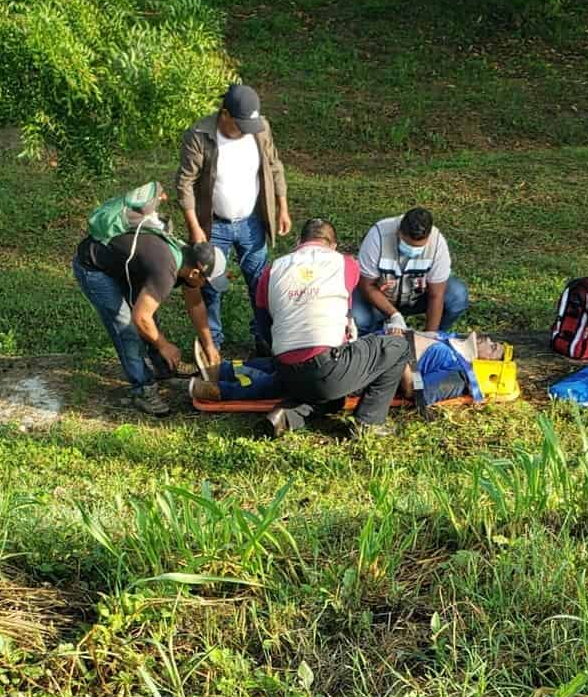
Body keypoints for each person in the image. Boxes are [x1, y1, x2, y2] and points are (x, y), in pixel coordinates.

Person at [73, 185, 226, 417]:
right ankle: (142, 389)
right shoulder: (166, 270)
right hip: (94, 269)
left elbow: (196, 305)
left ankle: (164, 368)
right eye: (207, 281)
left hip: (122, 266)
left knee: (149, 315)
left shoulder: (187, 257)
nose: (206, 287)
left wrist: (210, 346)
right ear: (196, 273)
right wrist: (165, 345)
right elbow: (140, 318)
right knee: (126, 327)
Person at [250, 217, 410, 438]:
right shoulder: (345, 263)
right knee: (399, 346)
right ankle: (369, 422)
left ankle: (287, 416)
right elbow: (347, 315)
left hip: (286, 372)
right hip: (325, 367)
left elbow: (262, 324)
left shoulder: (271, 270)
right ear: (333, 245)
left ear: (299, 242)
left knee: (333, 397)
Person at [175, 83, 291, 350]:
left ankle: (265, 338)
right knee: (211, 284)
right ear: (224, 114)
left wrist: (282, 206)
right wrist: (194, 227)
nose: (244, 132)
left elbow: (274, 165)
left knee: (260, 282)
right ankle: (213, 341)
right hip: (214, 225)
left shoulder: (259, 128)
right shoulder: (199, 134)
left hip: (252, 222)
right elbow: (185, 183)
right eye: (239, 125)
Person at [189, 331, 506, 410]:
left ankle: (222, 391)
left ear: (490, 365)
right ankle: (224, 369)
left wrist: (399, 353)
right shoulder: (450, 343)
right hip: (370, 350)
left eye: (494, 348)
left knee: (289, 380)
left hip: (372, 371)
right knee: (291, 362)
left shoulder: (459, 375)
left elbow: (416, 391)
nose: (490, 341)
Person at [351, 207, 469, 336]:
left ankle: (438, 338)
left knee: (457, 294)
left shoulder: (437, 244)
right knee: (359, 318)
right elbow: (366, 285)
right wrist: (394, 314)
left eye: (418, 247)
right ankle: (374, 340)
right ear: (398, 232)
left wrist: (430, 336)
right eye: (408, 244)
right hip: (381, 298)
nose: (412, 250)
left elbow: (437, 295)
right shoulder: (378, 236)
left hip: (416, 298)